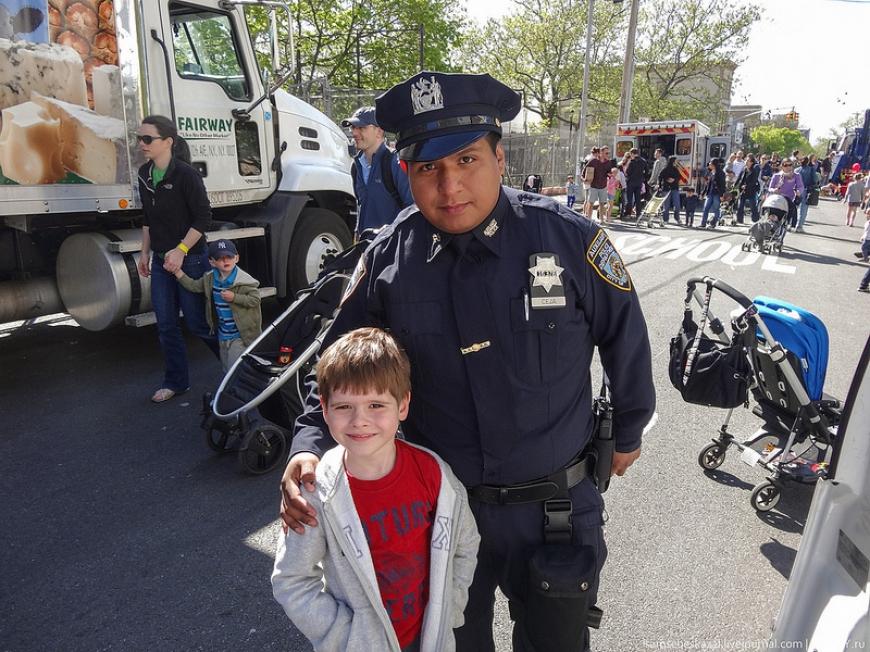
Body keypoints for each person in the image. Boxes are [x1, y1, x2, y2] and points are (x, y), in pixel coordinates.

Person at [279, 71, 656, 652]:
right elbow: (339, 359)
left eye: (467, 160)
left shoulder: (568, 240)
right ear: (406, 171)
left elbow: (625, 337)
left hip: (555, 511)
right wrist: (308, 445)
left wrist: (628, 430)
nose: (449, 185)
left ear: (500, 159)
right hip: (439, 516)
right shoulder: (389, 258)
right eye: (428, 167)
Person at [272, 327, 479, 652]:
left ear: (403, 405)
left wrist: (449, 609)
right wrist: (347, 638)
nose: (360, 420)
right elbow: (292, 580)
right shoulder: (317, 492)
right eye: (344, 407)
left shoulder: (433, 472)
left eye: (376, 405)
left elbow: (465, 541)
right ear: (324, 408)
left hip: (431, 640)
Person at [136, 115, 219, 403]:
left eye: (148, 138)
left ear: (168, 141)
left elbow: (203, 218)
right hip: (161, 262)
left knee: (198, 324)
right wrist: (144, 253)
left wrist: (181, 250)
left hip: (191, 260)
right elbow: (147, 218)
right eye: (139, 138)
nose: (142, 143)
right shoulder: (144, 174)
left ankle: (238, 369)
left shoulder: (186, 175)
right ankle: (176, 382)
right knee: (166, 325)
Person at [173, 239, 262, 372]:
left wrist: (235, 297)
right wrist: (177, 272)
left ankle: (240, 385)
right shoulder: (210, 278)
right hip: (223, 334)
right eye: (220, 258)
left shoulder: (244, 281)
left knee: (234, 369)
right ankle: (231, 385)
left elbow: (255, 299)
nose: (225, 261)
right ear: (212, 262)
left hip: (240, 335)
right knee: (226, 368)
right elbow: (194, 286)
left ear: (236, 258)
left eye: (229, 257)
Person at [343, 106, 414, 237]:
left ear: (379, 132)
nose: (354, 133)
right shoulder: (356, 166)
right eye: (353, 127)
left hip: (393, 245)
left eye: (361, 128)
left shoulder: (395, 163)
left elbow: (412, 209)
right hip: (366, 245)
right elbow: (361, 206)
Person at [768, 159, 804, 229]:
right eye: (785, 165)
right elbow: (770, 188)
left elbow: (800, 186)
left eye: (790, 165)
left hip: (788, 199)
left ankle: (787, 223)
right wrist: (774, 190)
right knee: (772, 211)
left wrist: (798, 191)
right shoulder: (777, 175)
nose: (788, 167)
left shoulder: (796, 176)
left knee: (791, 208)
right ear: (782, 166)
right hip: (776, 198)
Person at [584, 146, 611, 221]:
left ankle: (601, 219)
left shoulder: (608, 162)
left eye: (608, 153)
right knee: (591, 203)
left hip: (603, 186)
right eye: (606, 153)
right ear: (601, 152)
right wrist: (584, 179)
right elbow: (585, 170)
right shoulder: (593, 161)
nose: (608, 154)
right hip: (593, 186)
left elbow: (609, 172)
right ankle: (589, 219)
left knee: (602, 203)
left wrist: (610, 174)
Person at [700, 158, 726, 229]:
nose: (709, 164)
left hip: (717, 194)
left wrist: (721, 195)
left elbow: (722, 185)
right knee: (705, 208)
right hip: (710, 193)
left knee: (716, 209)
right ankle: (703, 223)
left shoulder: (721, 173)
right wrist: (703, 193)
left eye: (710, 163)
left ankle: (713, 223)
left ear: (714, 165)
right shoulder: (710, 172)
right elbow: (707, 184)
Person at [735, 154, 761, 224]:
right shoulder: (744, 169)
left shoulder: (754, 170)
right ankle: (739, 220)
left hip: (751, 190)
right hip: (743, 191)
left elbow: (753, 181)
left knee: (753, 206)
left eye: (748, 161)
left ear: (751, 162)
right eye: (746, 160)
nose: (746, 162)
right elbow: (739, 178)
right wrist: (735, 185)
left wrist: (746, 186)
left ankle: (755, 220)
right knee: (740, 205)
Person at [624, 147, 647, 220]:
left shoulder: (632, 161)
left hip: (631, 182)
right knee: (638, 199)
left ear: (632, 154)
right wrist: (642, 178)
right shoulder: (643, 161)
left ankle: (628, 214)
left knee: (630, 199)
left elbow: (627, 172)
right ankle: (638, 214)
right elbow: (647, 171)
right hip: (639, 182)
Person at [658, 155, 681, 224]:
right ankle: (665, 219)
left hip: (675, 188)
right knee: (666, 205)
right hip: (666, 188)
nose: (677, 162)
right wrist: (664, 182)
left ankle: (677, 218)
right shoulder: (665, 169)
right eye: (676, 161)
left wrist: (674, 179)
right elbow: (660, 177)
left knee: (677, 205)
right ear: (673, 161)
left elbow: (679, 177)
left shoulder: (676, 169)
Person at [796, 156, 816, 232]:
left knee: (794, 207)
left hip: (796, 190)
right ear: (808, 162)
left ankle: (790, 224)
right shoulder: (811, 169)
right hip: (806, 190)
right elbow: (814, 180)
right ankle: (799, 226)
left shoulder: (796, 170)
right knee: (803, 209)